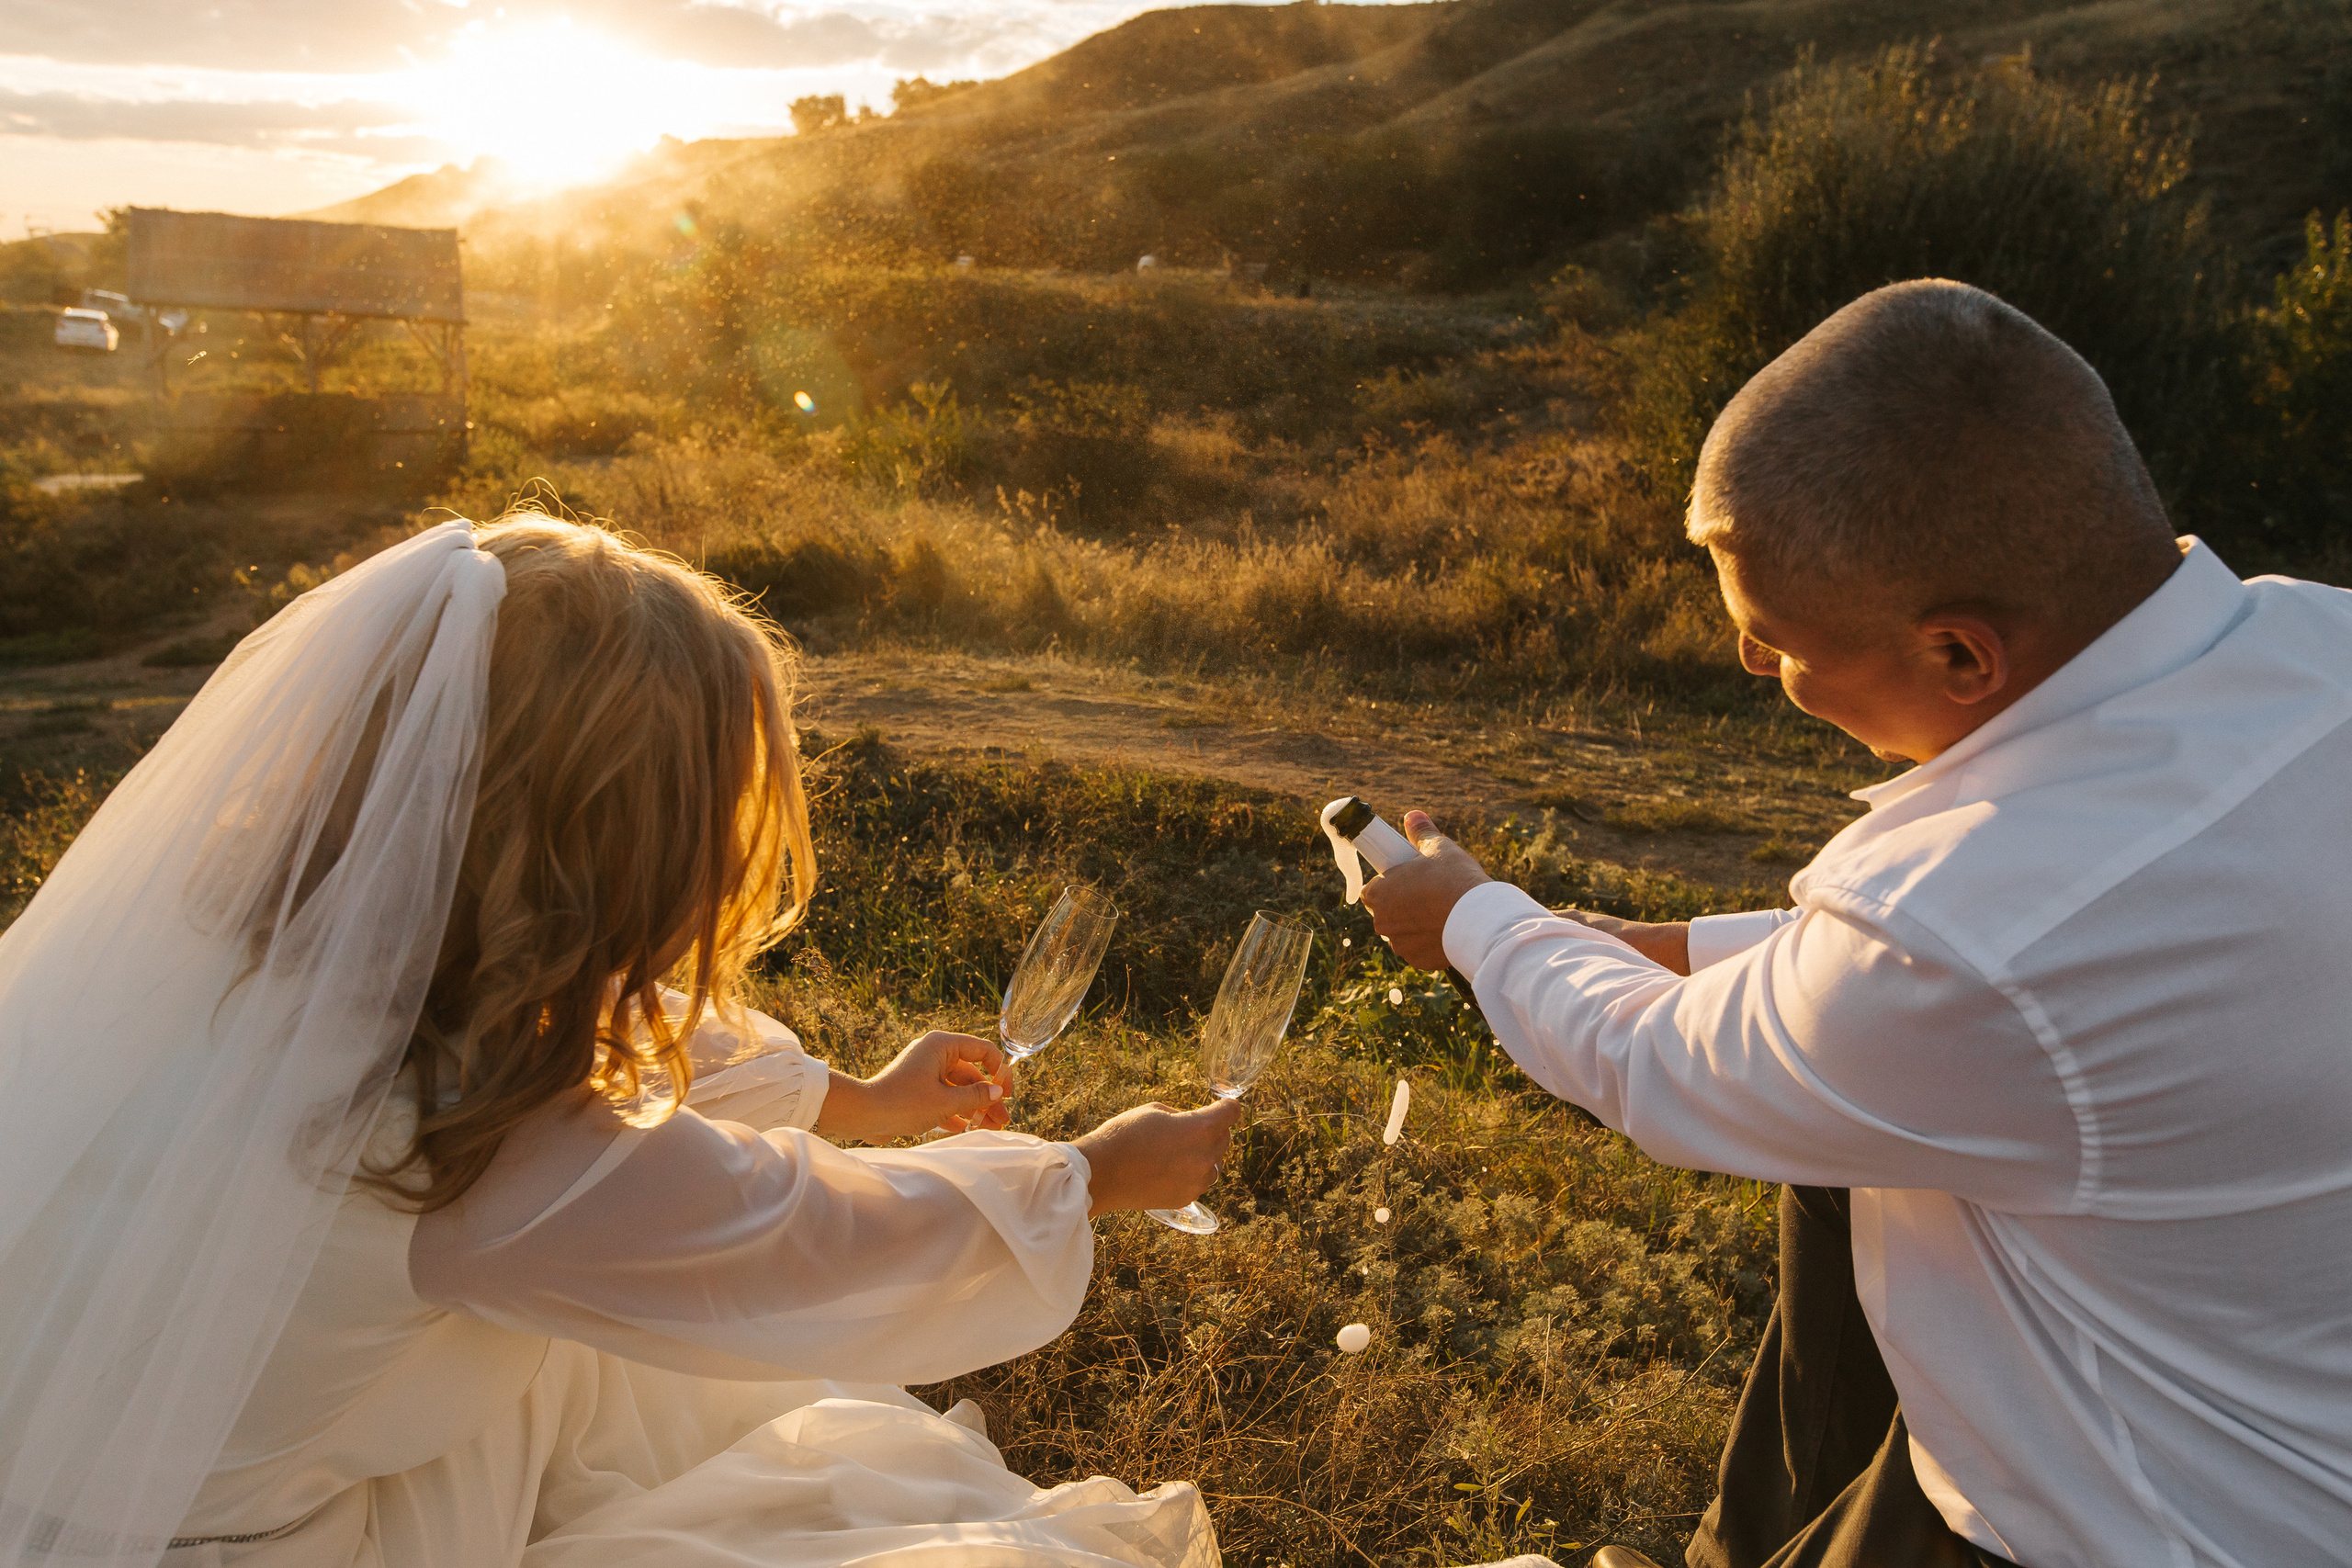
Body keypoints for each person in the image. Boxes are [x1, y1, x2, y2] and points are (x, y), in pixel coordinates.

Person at [0, 516, 1238, 1568]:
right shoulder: (481, 1154)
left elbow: (602, 1085)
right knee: (639, 1380)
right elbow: (812, 1243)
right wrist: (1097, 1171)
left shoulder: (226, 956)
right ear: (632, 854)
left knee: (568, 1360)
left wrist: (850, 1097)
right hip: (259, 1543)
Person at [1363, 280, 2352, 1568]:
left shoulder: (1971, 923)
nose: (1752, 669)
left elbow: (1658, 1066)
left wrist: (1475, 922)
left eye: (1776, 642)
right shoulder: (2316, 639)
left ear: (1960, 657)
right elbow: (1976, 992)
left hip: (2151, 1518)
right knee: (1846, 1172)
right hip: (2269, 1352)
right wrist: (1665, 945)